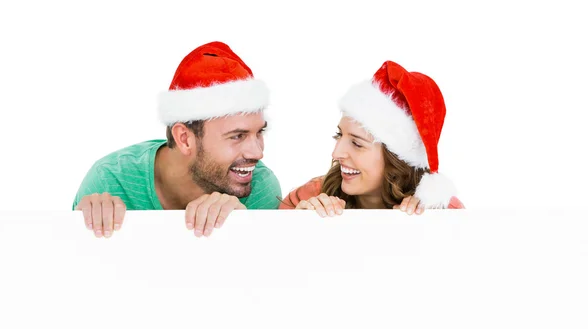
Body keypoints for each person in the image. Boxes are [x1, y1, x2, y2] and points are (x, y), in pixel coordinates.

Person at [73, 41, 282, 238]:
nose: (257, 153)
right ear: (184, 138)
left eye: (259, 133)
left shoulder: (260, 187)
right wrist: (82, 232)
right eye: (237, 136)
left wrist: (243, 228)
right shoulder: (110, 181)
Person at [279, 60, 464, 215]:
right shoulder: (311, 196)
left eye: (357, 143)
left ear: (396, 158)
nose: (336, 153)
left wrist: (435, 227)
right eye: (339, 135)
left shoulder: (442, 210)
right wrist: (298, 224)